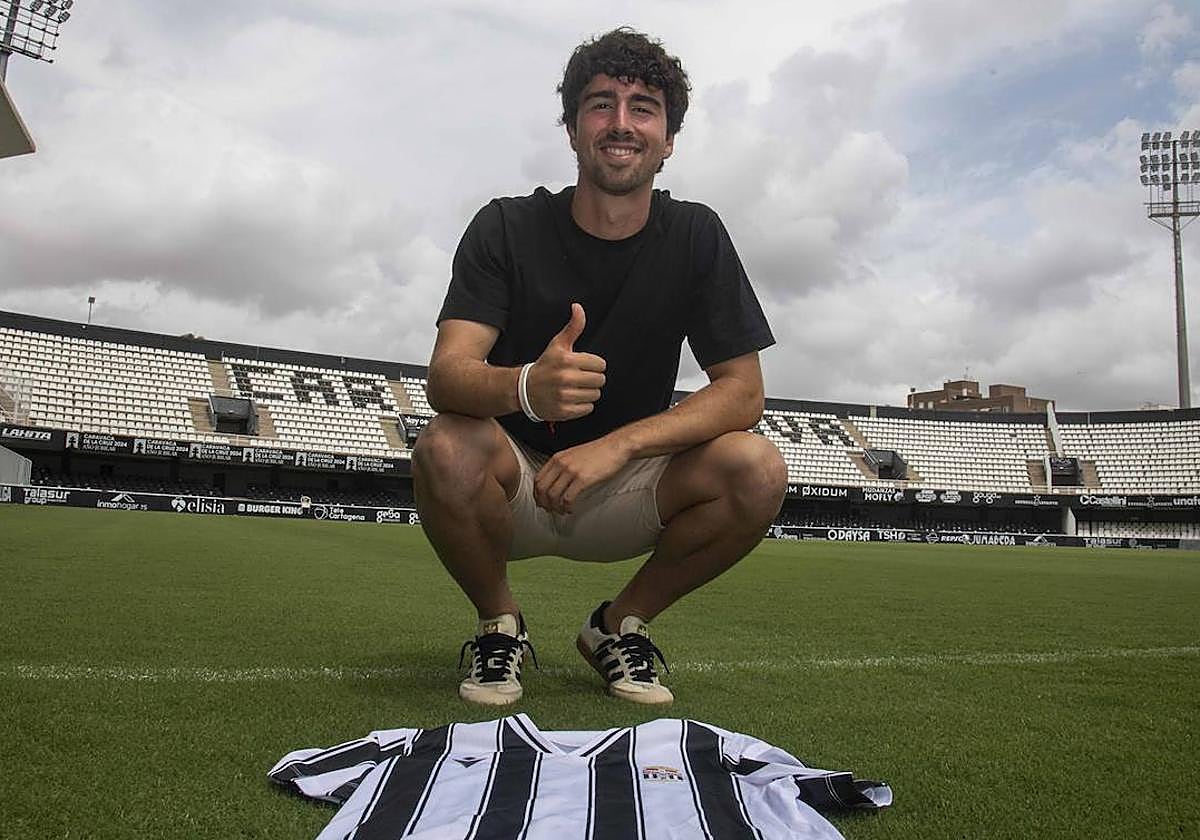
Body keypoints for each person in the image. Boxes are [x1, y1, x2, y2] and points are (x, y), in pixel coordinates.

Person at [413, 27, 787, 706]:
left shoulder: (696, 234)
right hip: (516, 481)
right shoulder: (506, 226)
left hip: (628, 486)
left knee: (756, 467)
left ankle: (618, 626)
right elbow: (447, 375)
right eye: (600, 104)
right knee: (444, 444)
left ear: (668, 139)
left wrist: (619, 446)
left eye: (643, 107)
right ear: (572, 129)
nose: (621, 123)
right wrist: (528, 387)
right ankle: (501, 624)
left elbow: (743, 392)